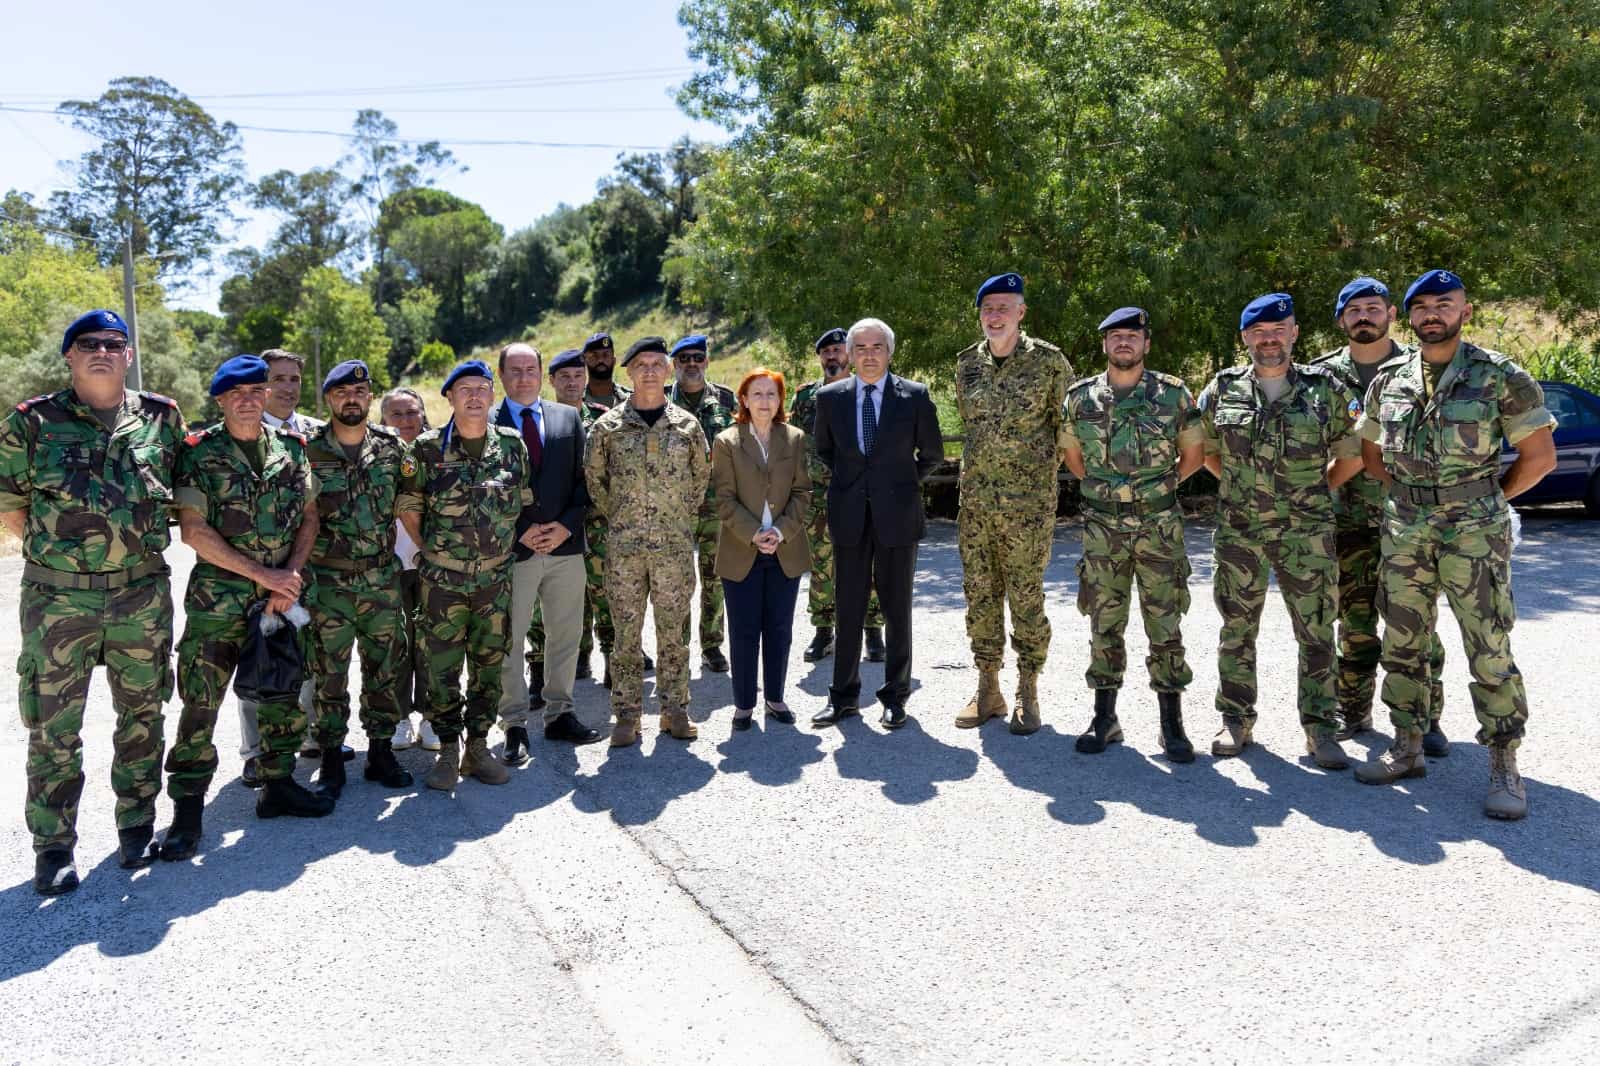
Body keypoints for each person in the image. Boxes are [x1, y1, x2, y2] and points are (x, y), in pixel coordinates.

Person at [1354, 270, 1557, 820]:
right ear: (1409, 317)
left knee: (1488, 645)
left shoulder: (1499, 376)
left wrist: (1489, 499)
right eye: (1420, 307)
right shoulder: (1388, 379)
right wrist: (1410, 498)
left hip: (1474, 531)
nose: (1431, 315)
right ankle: (1407, 745)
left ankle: (1504, 762)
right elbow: (1371, 454)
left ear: (1466, 311)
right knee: (1402, 642)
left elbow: (1540, 458)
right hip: (1406, 527)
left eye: (1443, 304)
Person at [0, 310, 185, 895]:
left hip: (141, 594)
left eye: (114, 343)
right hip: (58, 602)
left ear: (128, 355)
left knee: (143, 716)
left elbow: (181, 498)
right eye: (88, 345)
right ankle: (53, 847)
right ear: (70, 357)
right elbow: (10, 509)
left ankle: (136, 825)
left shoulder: (162, 417)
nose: (102, 351)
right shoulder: (32, 423)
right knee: (54, 728)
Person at [160, 355, 331, 862]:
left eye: (256, 390)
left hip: (279, 599)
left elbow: (309, 518)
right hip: (219, 603)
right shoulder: (199, 452)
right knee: (201, 704)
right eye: (238, 393)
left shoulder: (292, 449)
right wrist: (267, 576)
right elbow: (194, 532)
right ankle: (188, 811)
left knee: (280, 691)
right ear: (220, 400)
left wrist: (292, 576)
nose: (250, 399)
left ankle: (278, 786)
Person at [1196, 294, 1366, 769]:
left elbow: (1352, 454)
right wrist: (1239, 488)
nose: (1268, 340)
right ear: (1245, 338)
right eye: (1258, 333)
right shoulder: (1222, 388)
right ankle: (1235, 719)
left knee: (1315, 631)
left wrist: (1311, 492)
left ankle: (1320, 728)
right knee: (1236, 628)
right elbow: (1207, 451)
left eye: (1278, 330)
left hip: (1306, 533)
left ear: (1294, 333)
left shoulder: (1325, 389)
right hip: (1239, 530)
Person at [1061, 307, 1205, 760]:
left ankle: (1172, 724)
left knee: (1165, 624)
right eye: (1115, 336)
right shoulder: (1080, 398)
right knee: (1104, 622)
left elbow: (1194, 455)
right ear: (1104, 345)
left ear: (1146, 344)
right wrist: (1114, 496)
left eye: (1133, 336)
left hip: (1159, 527)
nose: (1124, 342)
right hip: (1103, 528)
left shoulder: (1173, 395)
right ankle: (1105, 718)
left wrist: (1151, 493)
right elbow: (1073, 458)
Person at [1312, 278, 1448, 752]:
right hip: (1344, 522)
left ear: (1392, 314)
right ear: (1341, 320)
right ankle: (1354, 710)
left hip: (1411, 520)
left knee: (1417, 622)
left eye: (1373, 307)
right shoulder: (1321, 378)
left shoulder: (1421, 368)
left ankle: (1426, 718)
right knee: (1354, 624)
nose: (1364, 316)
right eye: (1354, 310)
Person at [397, 360, 532, 790]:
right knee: (441, 667)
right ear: (450, 398)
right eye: (465, 389)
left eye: (482, 388)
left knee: (490, 665)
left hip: (495, 580)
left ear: (492, 396)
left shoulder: (512, 446)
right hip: (443, 582)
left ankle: (478, 746)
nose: (475, 395)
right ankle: (449, 750)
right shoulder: (425, 449)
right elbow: (409, 509)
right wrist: (433, 553)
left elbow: (521, 503)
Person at [811, 318, 944, 730]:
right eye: (862, 348)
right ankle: (844, 697)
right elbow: (825, 451)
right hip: (850, 516)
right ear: (849, 354)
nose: (870, 355)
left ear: (889, 352)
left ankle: (895, 696)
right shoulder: (830, 397)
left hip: (897, 516)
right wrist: (859, 485)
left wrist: (899, 485)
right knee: (848, 609)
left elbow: (933, 454)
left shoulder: (915, 396)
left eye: (877, 347)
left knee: (897, 610)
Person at [953, 272, 1071, 734]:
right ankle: (988, 687)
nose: (995, 316)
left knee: (1026, 597)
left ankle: (1028, 687)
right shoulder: (966, 365)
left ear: (1021, 313)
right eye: (988, 309)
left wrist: (1038, 479)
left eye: (1005, 307)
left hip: (1027, 509)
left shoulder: (1049, 363)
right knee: (979, 596)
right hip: (976, 505)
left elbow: (1067, 429)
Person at [584, 337, 711, 746]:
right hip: (623, 550)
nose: (651, 371)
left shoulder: (688, 426)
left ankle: (675, 710)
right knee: (626, 634)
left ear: (668, 371)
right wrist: (625, 519)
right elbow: (595, 483)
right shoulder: (606, 428)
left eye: (658, 363)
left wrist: (673, 519)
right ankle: (626, 716)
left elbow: (700, 480)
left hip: (673, 548)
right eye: (643, 364)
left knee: (674, 632)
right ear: (630, 372)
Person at [300, 361, 415, 797]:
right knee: (329, 672)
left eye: (360, 391)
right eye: (342, 392)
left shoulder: (391, 449)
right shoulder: (306, 450)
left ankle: (381, 751)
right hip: (327, 584)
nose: (352, 398)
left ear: (369, 398)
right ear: (329, 399)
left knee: (384, 668)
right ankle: (331, 757)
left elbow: (409, 506)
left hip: (381, 580)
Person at [490, 343, 599, 766]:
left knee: (565, 634)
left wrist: (566, 525)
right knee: (510, 639)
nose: (523, 378)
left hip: (565, 546)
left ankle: (560, 713)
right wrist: (522, 530)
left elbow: (583, 481)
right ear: (502, 376)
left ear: (540, 374)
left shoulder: (568, 417)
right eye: (514, 371)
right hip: (513, 551)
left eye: (530, 369)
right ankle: (514, 723)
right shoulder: (487, 420)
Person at [238, 346, 327, 781]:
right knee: (260, 654)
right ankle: (255, 751)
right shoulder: (243, 433)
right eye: (278, 378)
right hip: (256, 568)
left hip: (309, 565)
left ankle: (306, 735)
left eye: (294, 379)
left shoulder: (316, 433)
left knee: (305, 652)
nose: (287, 387)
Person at [712, 369, 812, 730]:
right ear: (743, 399)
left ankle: (775, 697)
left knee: (779, 628)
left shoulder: (795, 438)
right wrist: (755, 533)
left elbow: (803, 493)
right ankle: (743, 704)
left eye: (772, 394)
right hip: (742, 549)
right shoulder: (726, 441)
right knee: (743, 630)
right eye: (757, 394)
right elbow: (723, 498)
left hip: (785, 550)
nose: (764, 401)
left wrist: (781, 532)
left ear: (780, 400)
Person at [790, 327, 885, 663]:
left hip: (860, 494)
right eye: (826, 352)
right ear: (820, 357)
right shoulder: (804, 397)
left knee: (868, 561)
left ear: (849, 354)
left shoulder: (867, 391)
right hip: (817, 496)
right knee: (820, 564)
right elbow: (794, 442)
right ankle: (823, 630)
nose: (832, 357)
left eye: (838, 351)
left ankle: (873, 630)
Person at [666, 334, 737, 674]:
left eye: (697, 357)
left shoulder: (726, 399)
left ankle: (711, 645)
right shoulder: (661, 401)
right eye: (683, 360)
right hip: (673, 508)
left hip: (715, 507)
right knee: (677, 580)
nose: (691, 364)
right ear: (673, 366)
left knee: (715, 578)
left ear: (706, 361)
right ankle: (677, 646)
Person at [378, 387, 442, 754]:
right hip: (388, 567)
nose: (405, 421)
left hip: (432, 566)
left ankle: (432, 717)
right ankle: (399, 717)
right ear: (383, 418)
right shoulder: (375, 454)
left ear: (423, 414)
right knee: (395, 646)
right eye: (396, 414)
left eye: (412, 412)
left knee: (434, 643)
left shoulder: (437, 452)